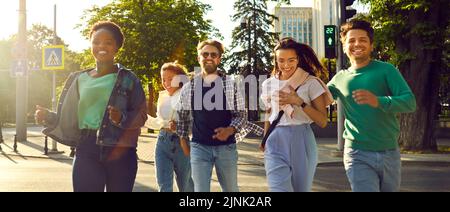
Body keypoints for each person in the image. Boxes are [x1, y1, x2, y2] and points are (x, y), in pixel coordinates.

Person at [35, 21, 147, 192]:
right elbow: (68, 116)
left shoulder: (129, 78)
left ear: (117, 47)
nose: (101, 46)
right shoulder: (78, 79)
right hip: (86, 148)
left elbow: (141, 115)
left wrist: (121, 118)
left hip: (121, 151)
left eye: (108, 42)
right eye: (96, 42)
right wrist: (48, 117)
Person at [327, 19, 416, 192]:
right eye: (351, 41)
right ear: (344, 46)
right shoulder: (339, 78)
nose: (357, 44)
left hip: (390, 152)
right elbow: (318, 99)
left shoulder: (387, 70)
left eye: (363, 40)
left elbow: (409, 102)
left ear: (371, 45)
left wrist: (379, 101)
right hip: (356, 153)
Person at [176, 39, 263, 192]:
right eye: (205, 54)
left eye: (213, 54)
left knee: (231, 190)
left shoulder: (231, 84)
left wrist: (229, 130)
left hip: (226, 148)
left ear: (219, 59)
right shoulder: (189, 87)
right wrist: (183, 141)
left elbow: (241, 115)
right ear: (199, 58)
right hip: (199, 147)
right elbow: (182, 117)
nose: (209, 57)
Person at [260, 38, 333, 192]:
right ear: (275, 60)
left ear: (298, 59)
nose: (286, 65)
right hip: (274, 140)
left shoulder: (310, 82)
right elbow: (269, 112)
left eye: (291, 60)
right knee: (278, 189)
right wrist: (265, 138)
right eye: (281, 60)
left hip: (302, 139)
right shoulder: (268, 84)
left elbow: (322, 121)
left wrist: (299, 102)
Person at [145, 61, 194, 192]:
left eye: (170, 79)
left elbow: (195, 123)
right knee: (164, 186)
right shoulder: (163, 96)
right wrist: (144, 118)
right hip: (163, 141)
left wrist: (181, 127)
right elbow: (160, 121)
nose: (166, 83)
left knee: (186, 186)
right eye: (163, 79)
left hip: (182, 144)